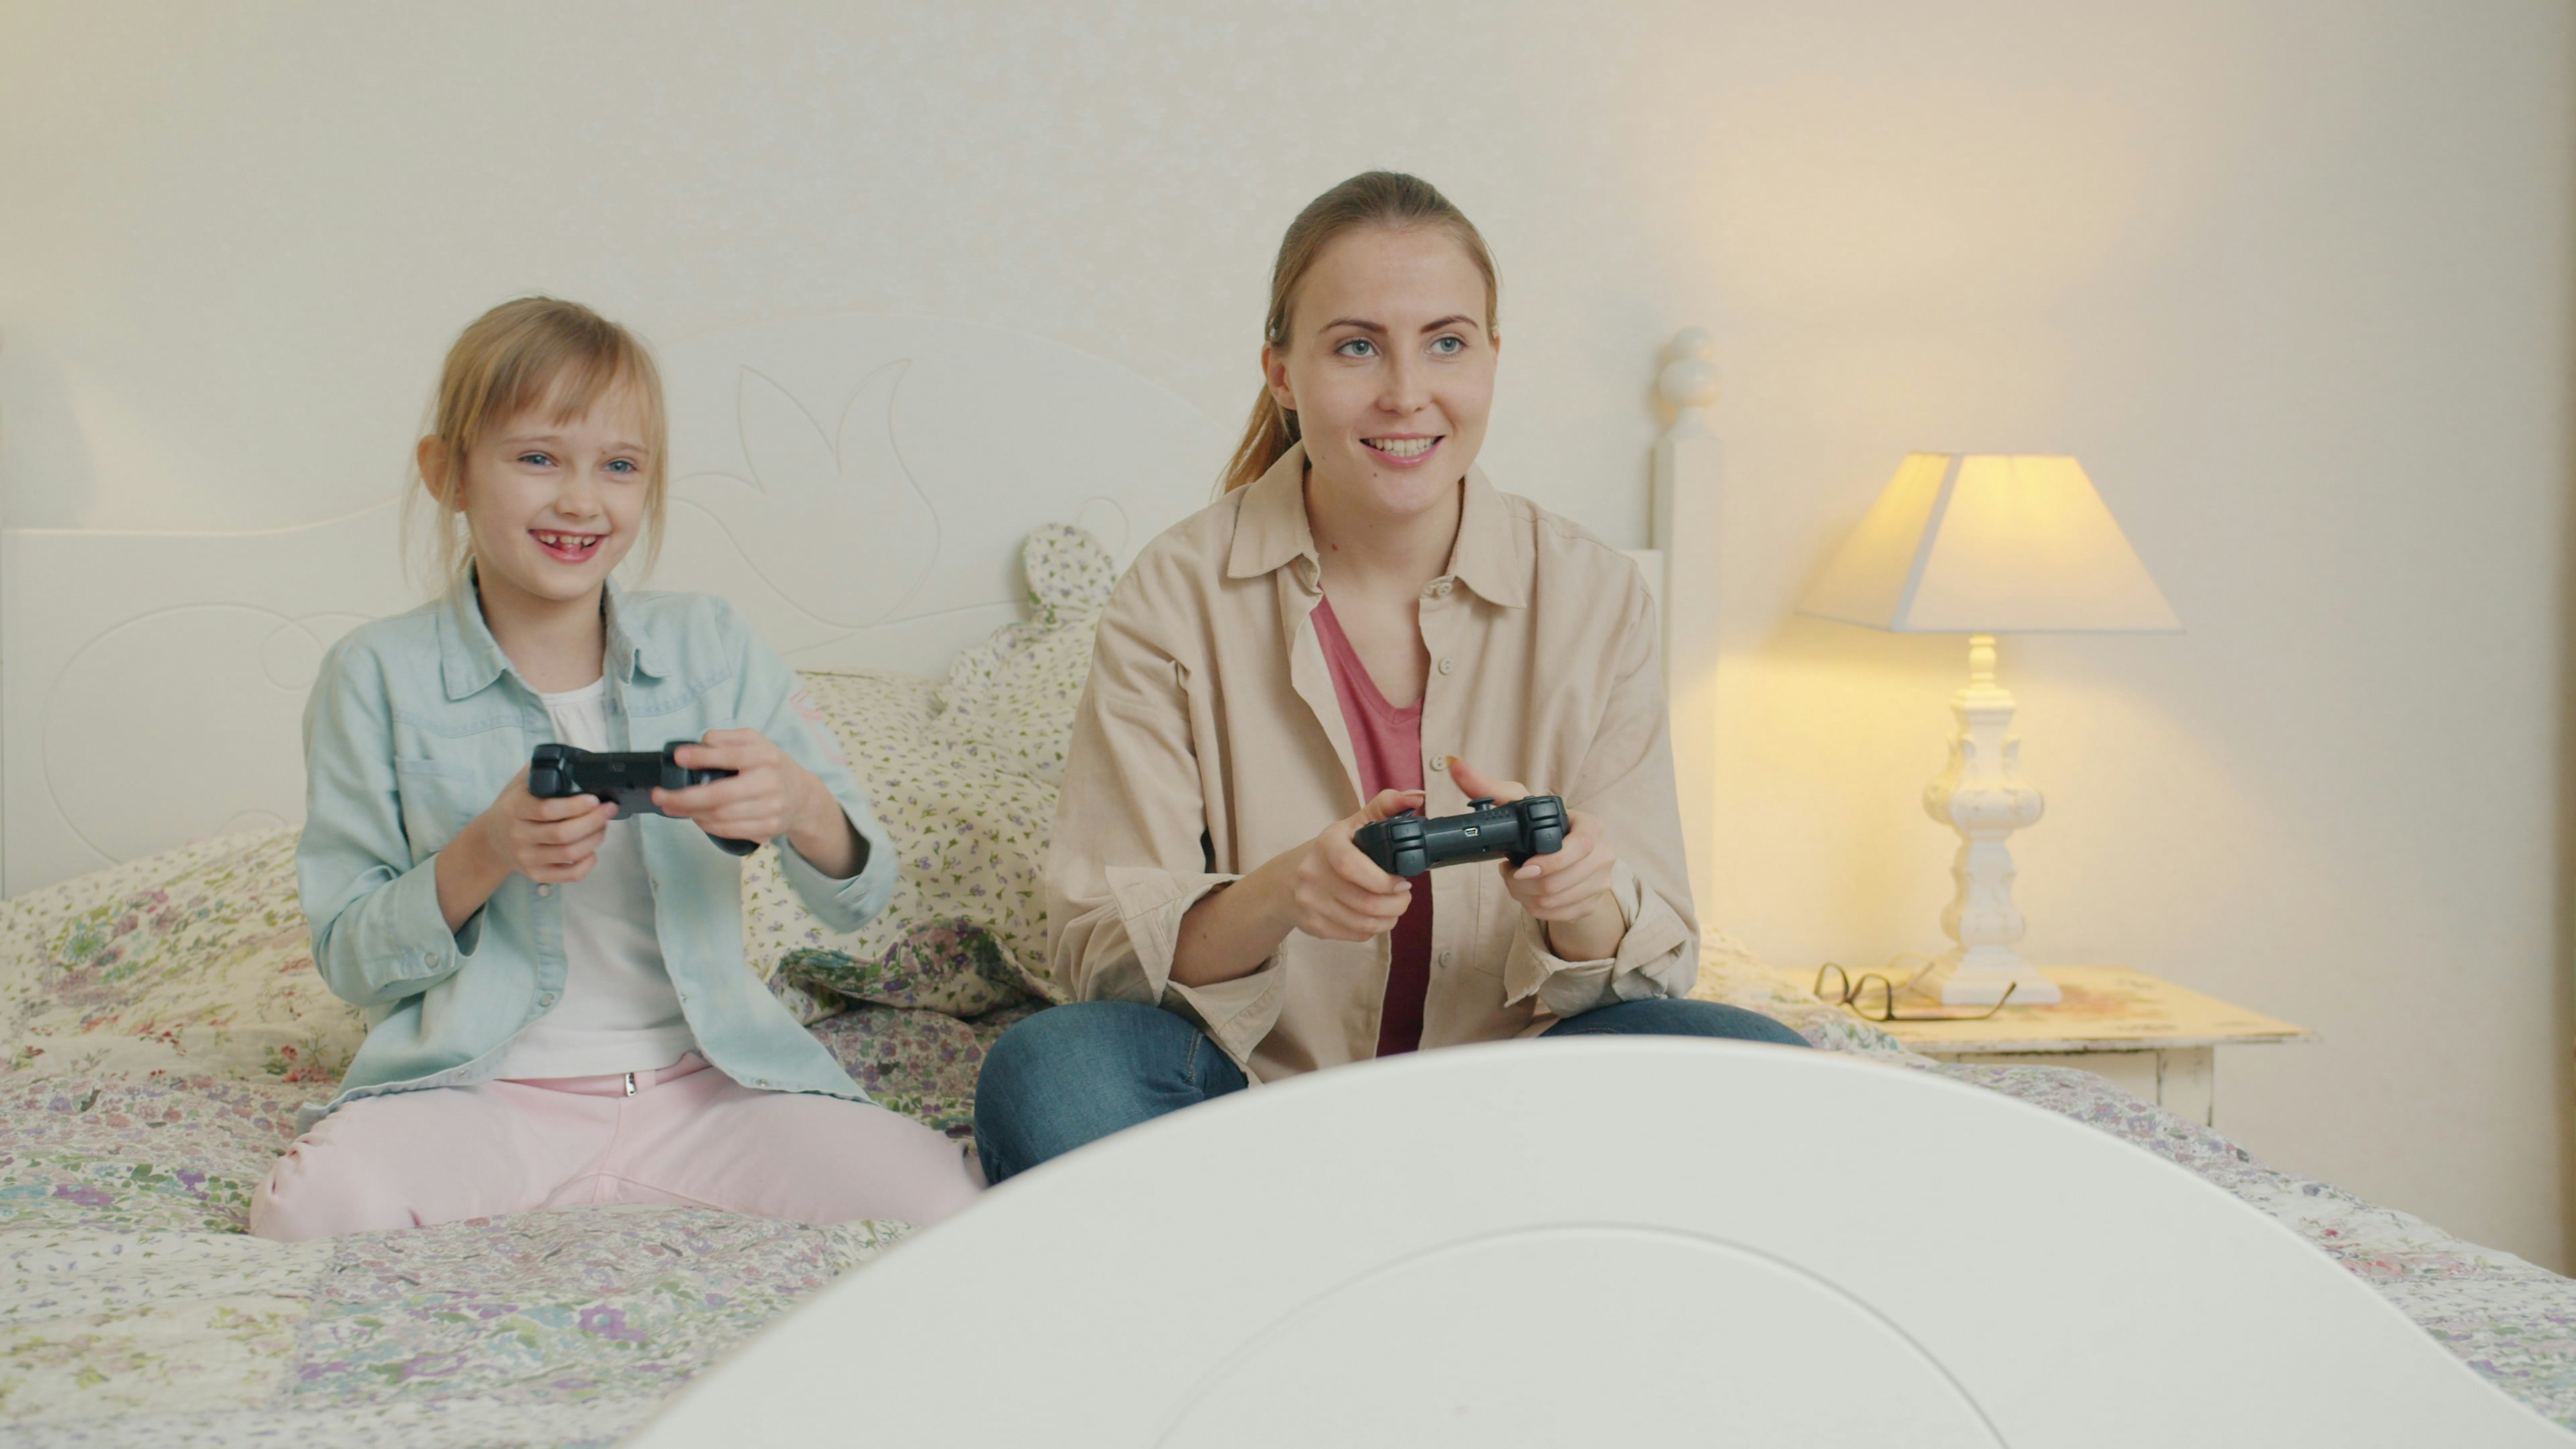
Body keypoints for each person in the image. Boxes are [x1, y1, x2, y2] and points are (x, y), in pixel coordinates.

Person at [973, 172, 1804, 1183]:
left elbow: (1654, 970)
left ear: (1494, 361)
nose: (1407, 393)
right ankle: (1337, 1262)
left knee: (1764, 1071)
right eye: (1356, 345)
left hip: (1520, 1111)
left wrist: (1575, 892)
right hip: (1248, 1115)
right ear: (1282, 372)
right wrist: (1285, 893)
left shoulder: (1595, 596)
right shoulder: (1175, 594)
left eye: (1447, 343)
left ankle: (1375, 1244)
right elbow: (1102, 957)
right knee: (1050, 1072)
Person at [250, 297, 981, 1240]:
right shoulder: (375, 675)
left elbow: (860, 895)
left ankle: (636, 1173)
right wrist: (486, 852)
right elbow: (352, 958)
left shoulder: (713, 644)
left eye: (621, 467)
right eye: (537, 457)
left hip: (709, 1090)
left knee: (953, 1211)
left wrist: (800, 805)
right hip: (486, 1097)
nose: (581, 501)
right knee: (311, 1213)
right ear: (449, 473)